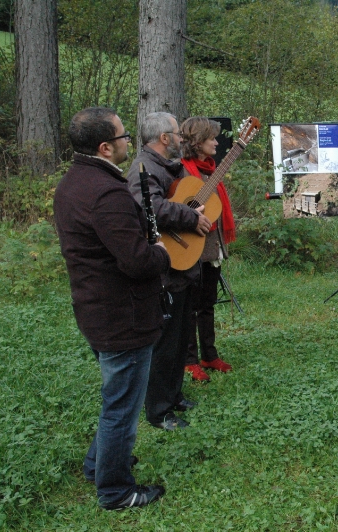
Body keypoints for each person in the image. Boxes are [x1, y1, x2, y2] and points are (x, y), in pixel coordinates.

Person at [54, 107, 169, 509]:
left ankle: (97, 465)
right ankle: (116, 490)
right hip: (122, 316)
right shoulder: (106, 193)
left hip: (95, 308)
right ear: (105, 147)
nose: (128, 143)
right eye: (123, 137)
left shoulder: (73, 182)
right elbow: (137, 261)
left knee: (116, 398)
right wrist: (161, 252)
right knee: (121, 407)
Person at [126, 112, 212, 430]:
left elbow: (176, 198)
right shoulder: (143, 168)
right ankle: (158, 410)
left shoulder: (168, 167)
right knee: (164, 343)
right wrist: (191, 217)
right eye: (177, 134)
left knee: (179, 337)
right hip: (164, 268)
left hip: (182, 267)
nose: (181, 139)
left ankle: (174, 395)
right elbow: (150, 207)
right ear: (164, 138)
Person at [179, 117, 235, 381]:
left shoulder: (213, 170)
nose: (216, 142)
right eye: (212, 138)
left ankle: (209, 355)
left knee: (208, 302)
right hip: (190, 246)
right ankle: (189, 360)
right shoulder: (180, 170)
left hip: (212, 246)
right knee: (190, 305)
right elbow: (175, 205)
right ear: (198, 141)